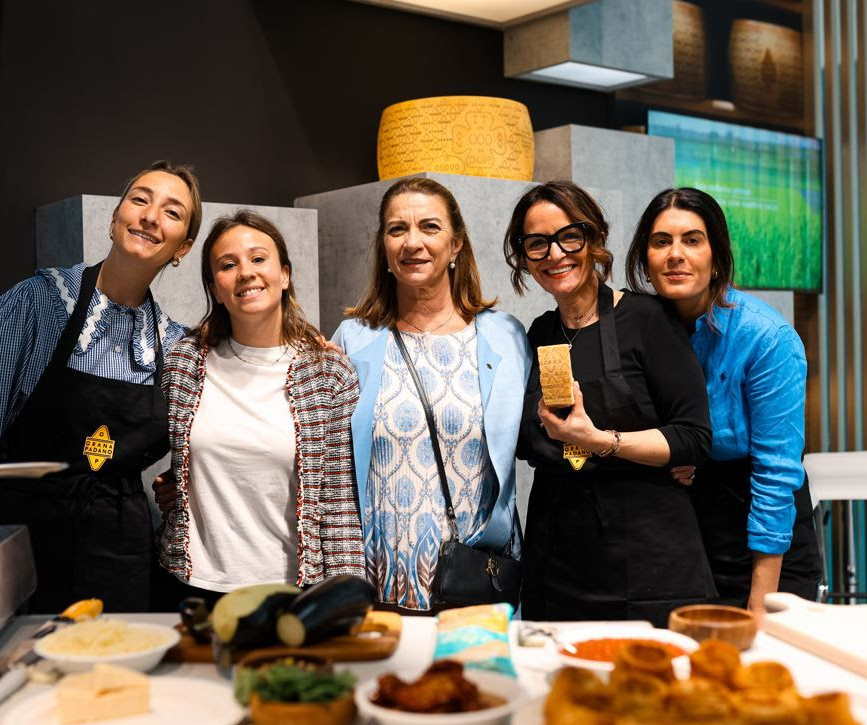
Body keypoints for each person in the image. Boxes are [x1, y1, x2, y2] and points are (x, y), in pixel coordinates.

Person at [0, 160, 202, 613]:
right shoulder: (38, 304)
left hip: (119, 555)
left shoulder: (174, 345)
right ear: (115, 218)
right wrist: (15, 506)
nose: (151, 216)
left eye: (172, 212)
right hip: (25, 549)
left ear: (184, 247)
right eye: (140, 199)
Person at [507, 181, 715, 627]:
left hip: (648, 562)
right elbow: (524, 440)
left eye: (569, 237)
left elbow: (693, 437)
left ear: (594, 238)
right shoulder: (539, 333)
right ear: (525, 258)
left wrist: (600, 441)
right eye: (537, 243)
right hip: (558, 560)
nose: (555, 254)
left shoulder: (646, 319)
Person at [332, 176, 530, 612]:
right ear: (384, 247)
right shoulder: (352, 340)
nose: (412, 242)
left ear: (456, 245)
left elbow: (543, 437)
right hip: (377, 583)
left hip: (475, 582)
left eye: (429, 227)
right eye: (397, 229)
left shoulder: (505, 337)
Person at [625, 187, 821, 618]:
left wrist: (760, 604)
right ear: (644, 259)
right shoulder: (640, 328)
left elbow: (775, 474)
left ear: (717, 257)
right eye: (661, 241)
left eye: (692, 240)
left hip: (763, 538)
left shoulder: (766, 337)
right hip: (687, 534)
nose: (676, 254)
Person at [152, 210, 364, 608]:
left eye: (258, 258)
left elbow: (339, 504)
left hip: (291, 592)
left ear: (284, 275)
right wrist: (173, 485)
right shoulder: (184, 363)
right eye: (228, 265)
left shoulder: (328, 372)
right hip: (192, 586)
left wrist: (345, 602)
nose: (246, 272)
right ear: (215, 289)